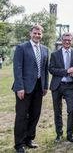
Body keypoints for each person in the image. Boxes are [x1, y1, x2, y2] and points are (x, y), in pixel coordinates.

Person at [12, 24, 49, 153]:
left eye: (39, 33)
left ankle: (29, 139)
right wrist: (20, 87)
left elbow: (45, 69)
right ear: (30, 33)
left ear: (41, 35)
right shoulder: (21, 48)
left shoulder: (45, 49)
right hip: (24, 87)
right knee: (22, 116)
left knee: (35, 114)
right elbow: (17, 68)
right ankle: (19, 144)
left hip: (39, 87)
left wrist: (45, 86)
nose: (37, 35)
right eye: (35, 33)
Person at [49, 32, 73, 143]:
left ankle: (70, 134)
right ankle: (59, 134)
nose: (67, 42)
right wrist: (66, 71)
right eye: (65, 40)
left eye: (69, 40)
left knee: (72, 110)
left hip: (69, 86)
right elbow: (51, 69)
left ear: (72, 41)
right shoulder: (54, 54)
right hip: (57, 86)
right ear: (62, 41)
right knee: (57, 111)